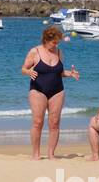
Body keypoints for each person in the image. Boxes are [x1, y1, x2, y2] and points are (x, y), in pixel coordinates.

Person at [22, 25, 79, 160]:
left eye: (57, 42)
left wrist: (70, 74)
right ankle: (36, 154)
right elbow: (23, 69)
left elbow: (59, 72)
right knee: (38, 122)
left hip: (57, 90)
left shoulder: (59, 52)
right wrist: (29, 71)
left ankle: (51, 154)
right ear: (46, 39)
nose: (56, 44)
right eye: (54, 42)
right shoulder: (35, 51)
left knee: (54, 123)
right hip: (38, 90)